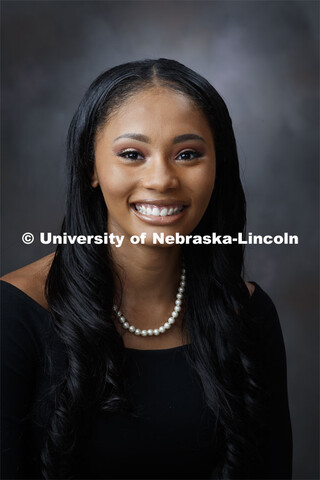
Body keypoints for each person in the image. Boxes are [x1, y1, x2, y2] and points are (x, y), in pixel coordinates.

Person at [1, 58, 293, 480]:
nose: (161, 179)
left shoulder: (246, 313)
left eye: (188, 154)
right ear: (91, 168)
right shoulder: (14, 314)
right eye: (132, 154)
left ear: (218, 167)